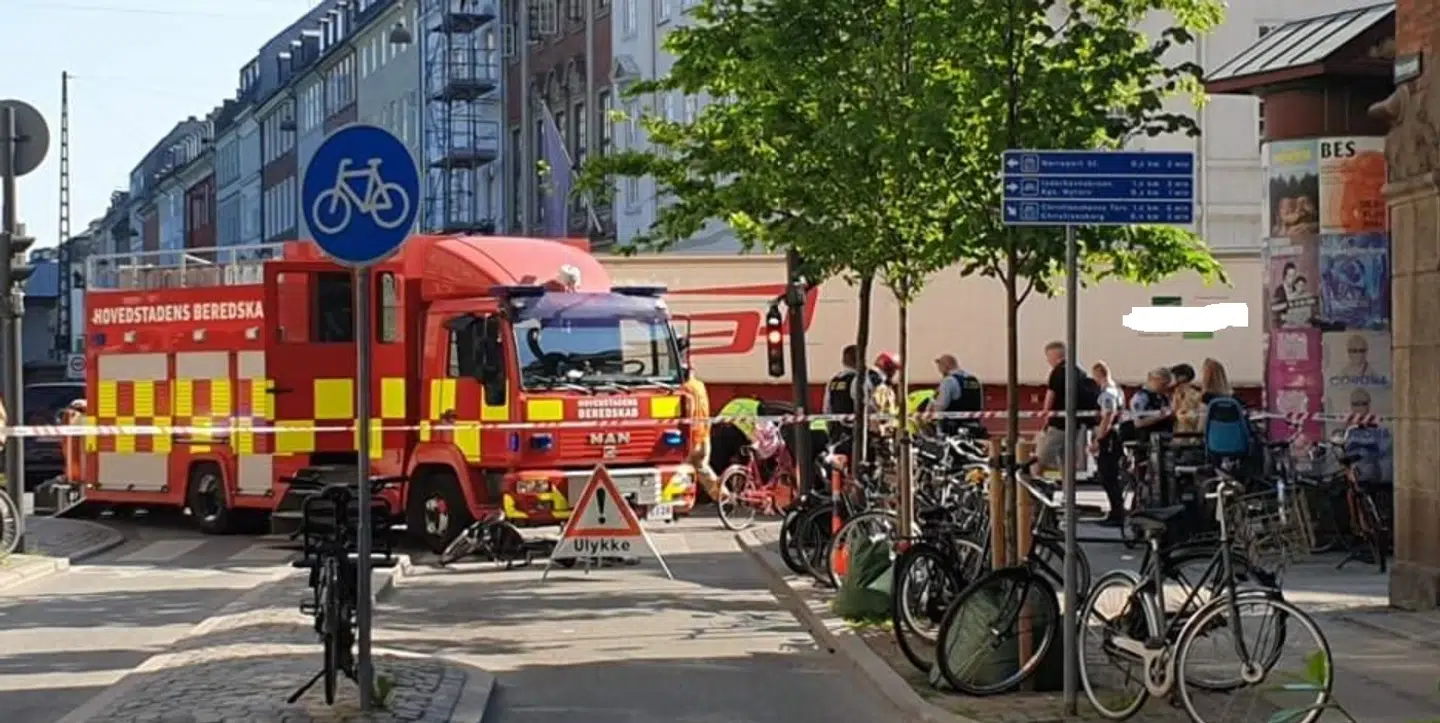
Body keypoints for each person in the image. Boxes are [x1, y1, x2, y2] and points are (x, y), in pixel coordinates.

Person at [1033, 341, 1097, 478]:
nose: (1048, 361)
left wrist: (1045, 416)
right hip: (1076, 424)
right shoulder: (1078, 371)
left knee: (1041, 457)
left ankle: (1030, 488)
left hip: (1059, 424)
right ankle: (1068, 494)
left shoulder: (1058, 371)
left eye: (1048, 357)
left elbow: (1051, 395)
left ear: (1053, 356)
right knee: (1067, 459)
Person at [822, 345, 881, 457]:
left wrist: (832, 432)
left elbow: (827, 410)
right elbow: (867, 406)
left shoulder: (833, 381)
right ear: (860, 360)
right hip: (856, 437)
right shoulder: (858, 381)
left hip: (837, 437)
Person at [1088, 361, 1126, 526]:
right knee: (1110, 476)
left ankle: (1117, 514)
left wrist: (1099, 438)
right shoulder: (1117, 390)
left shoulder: (1107, 393)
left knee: (1107, 475)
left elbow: (1108, 415)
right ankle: (1117, 511)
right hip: (1114, 436)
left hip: (1109, 437)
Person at [682, 372, 721, 501]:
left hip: (693, 437)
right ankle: (723, 496)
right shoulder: (700, 386)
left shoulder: (685, 388)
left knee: (683, 469)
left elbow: (689, 410)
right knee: (702, 468)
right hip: (705, 434)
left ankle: (683, 500)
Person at [933, 353, 987, 439]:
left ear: (945, 366)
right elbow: (981, 405)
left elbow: (941, 406)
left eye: (940, 366)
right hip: (975, 426)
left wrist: (932, 407)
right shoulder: (974, 380)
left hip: (954, 429)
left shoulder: (949, 381)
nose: (939, 370)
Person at [1169, 363, 1204, 434]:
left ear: (1183, 377)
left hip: (1189, 433)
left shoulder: (1195, 394)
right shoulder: (1175, 392)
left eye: (1175, 376)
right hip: (1177, 432)